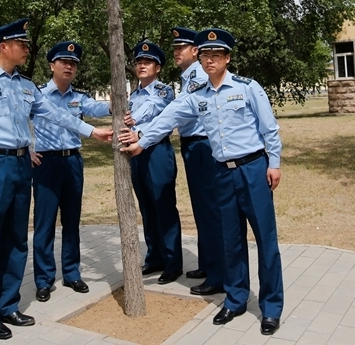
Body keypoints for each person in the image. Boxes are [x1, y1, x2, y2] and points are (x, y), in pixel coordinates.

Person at [118, 28, 284, 336]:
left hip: (253, 169)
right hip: (221, 173)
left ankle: (271, 307)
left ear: (227, 58)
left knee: (265, 240)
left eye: (216, 55)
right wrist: (141, 139)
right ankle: (235, 299)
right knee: (230, 240)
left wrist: (274, 163)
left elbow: (269, 128)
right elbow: (168, 118)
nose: (210, 60)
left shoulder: (248, 88)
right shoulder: (197, 96)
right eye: (206, 55)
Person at [0, 19, 112, 340]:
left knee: (16, 238)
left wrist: (91, 131)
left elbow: (56, 114)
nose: (27, 49)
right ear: (4, 46)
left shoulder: (26, 86)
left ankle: (8, 304)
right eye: (22, 44)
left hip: (21, 166)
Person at [31, 41, 111, 302]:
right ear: (52, 65)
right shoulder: (38, 95)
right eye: (64, 62)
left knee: (72, 222)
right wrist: (28, 148)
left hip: (73, 163)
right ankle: (43, 280)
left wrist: (116, 104)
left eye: (73, 63)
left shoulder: (79, 97)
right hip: (46, 164)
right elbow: (18, 121)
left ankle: (72, 273)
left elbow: (97, 108)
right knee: (44, 223)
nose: (69, 66)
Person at [170, 27, 225, 296]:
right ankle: (207, 264)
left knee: (210, 210)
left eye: (182, 47)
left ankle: (218, 275)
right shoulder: (187, 75)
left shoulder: (197, 75)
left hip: (203, 147)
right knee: (202, 209)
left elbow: (182, 111)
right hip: (194, 146)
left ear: (195, 51)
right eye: (175, 48)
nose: (176, 52)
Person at [123, 40, 183, 284]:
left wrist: (134, 123)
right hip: (136, 156)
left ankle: (173, 262)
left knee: (164, 206)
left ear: (158, 68)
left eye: (147, 62)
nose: (142, 66)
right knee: (147, 206)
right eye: (138, 62)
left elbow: (153, 109)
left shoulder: (163, 91)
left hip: (157, 152)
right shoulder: (132, 95)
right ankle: (155, 257)